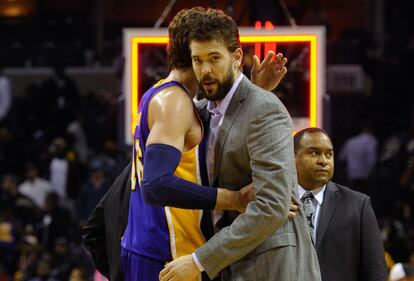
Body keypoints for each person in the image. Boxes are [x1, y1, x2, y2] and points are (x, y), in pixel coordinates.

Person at [85, 7, 288, 281]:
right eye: (203, 57)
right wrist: (235, 199)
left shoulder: (167, 95)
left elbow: (222, 116)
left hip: (146, 249)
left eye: (215, 58)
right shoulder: (175, 104)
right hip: (165, 254)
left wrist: (254, 92)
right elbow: (156, 185)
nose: (207, 68)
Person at [160, 7, 320, 281]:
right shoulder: (197, 111)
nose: (205, 70)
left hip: (273, 268)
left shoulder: (265, 108)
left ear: (236, 58)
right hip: (229, 266)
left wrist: (199, 260)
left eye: (214, 58)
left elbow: (271, 207)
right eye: (198, 60)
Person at [293, 127, 387, 281]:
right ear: (292, 157)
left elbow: (375, 271)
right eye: (314, 153)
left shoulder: (358, 205)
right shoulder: (276, 203)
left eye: (329, 154)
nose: (324, 161)